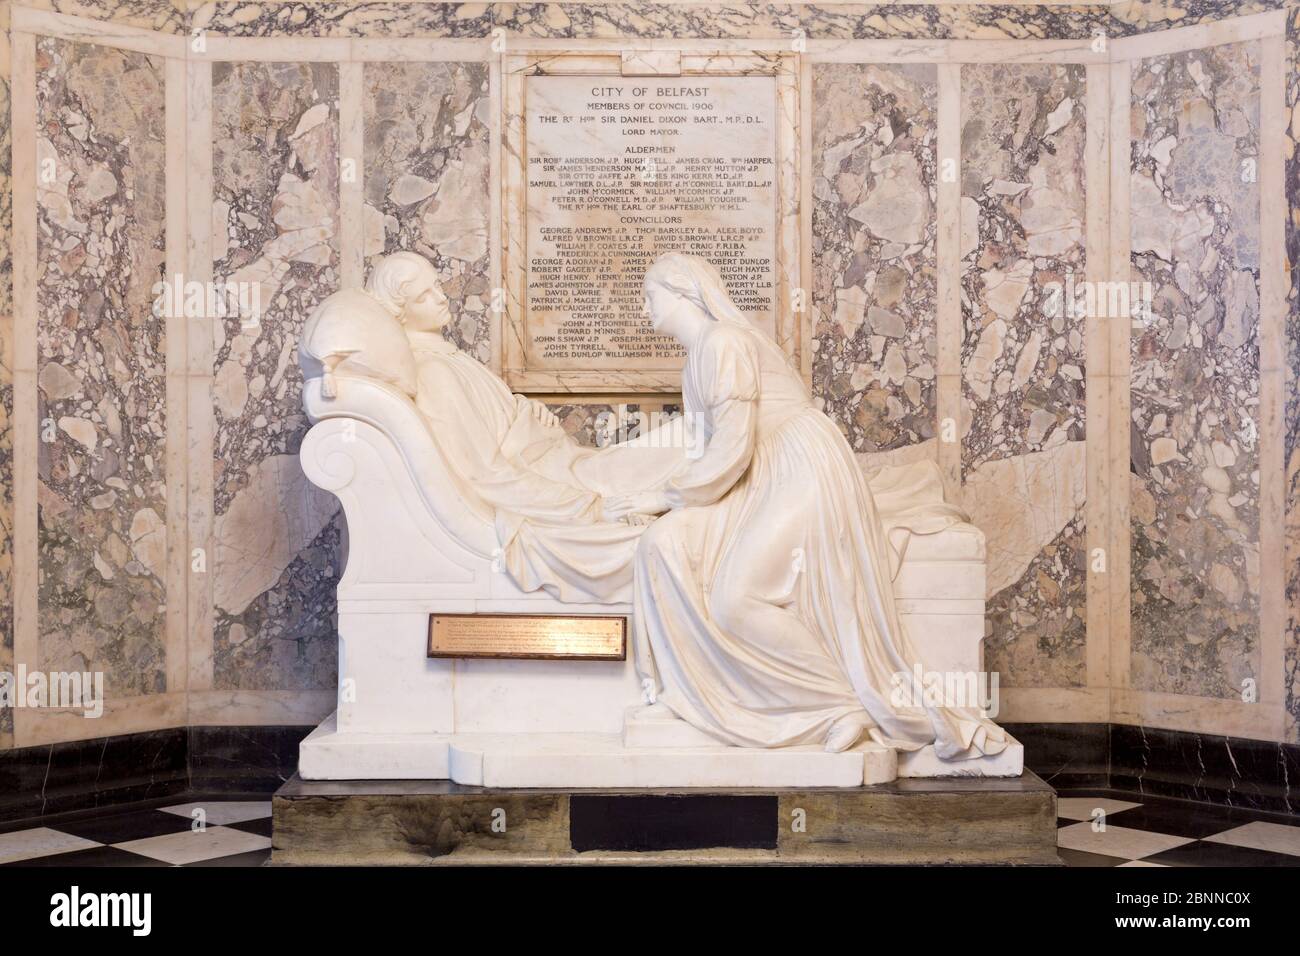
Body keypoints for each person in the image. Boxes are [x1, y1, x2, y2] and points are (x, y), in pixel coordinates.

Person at [602, 253, 1009, 758]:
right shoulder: (698, 359)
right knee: (662, 544)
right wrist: (665, 506)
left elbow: (730, 448)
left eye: (649, 296)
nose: (644, 311)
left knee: (736, 599)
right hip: (754, 478)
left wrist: (663, 496)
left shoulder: (723, 342)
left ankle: (844, 702)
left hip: (798, 470)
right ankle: (679, 692)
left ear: (681, 290)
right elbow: (715, 454)